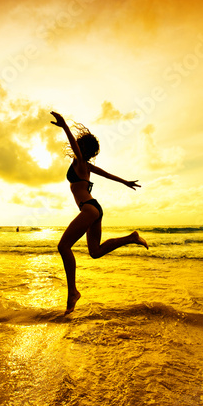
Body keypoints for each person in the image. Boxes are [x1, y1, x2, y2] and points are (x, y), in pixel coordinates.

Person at [50, 111, 148, 315]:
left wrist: (65, 126)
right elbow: (107, 174)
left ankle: (73, 292)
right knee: (95, 252)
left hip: (89, 208)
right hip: (95, 209)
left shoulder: (79, 162)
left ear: (83, 149)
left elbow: (82, 153)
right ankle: (132, 237)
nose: (77, 146)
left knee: (63, 246)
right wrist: (125, 182)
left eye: (79, 145)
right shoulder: (86, 166)